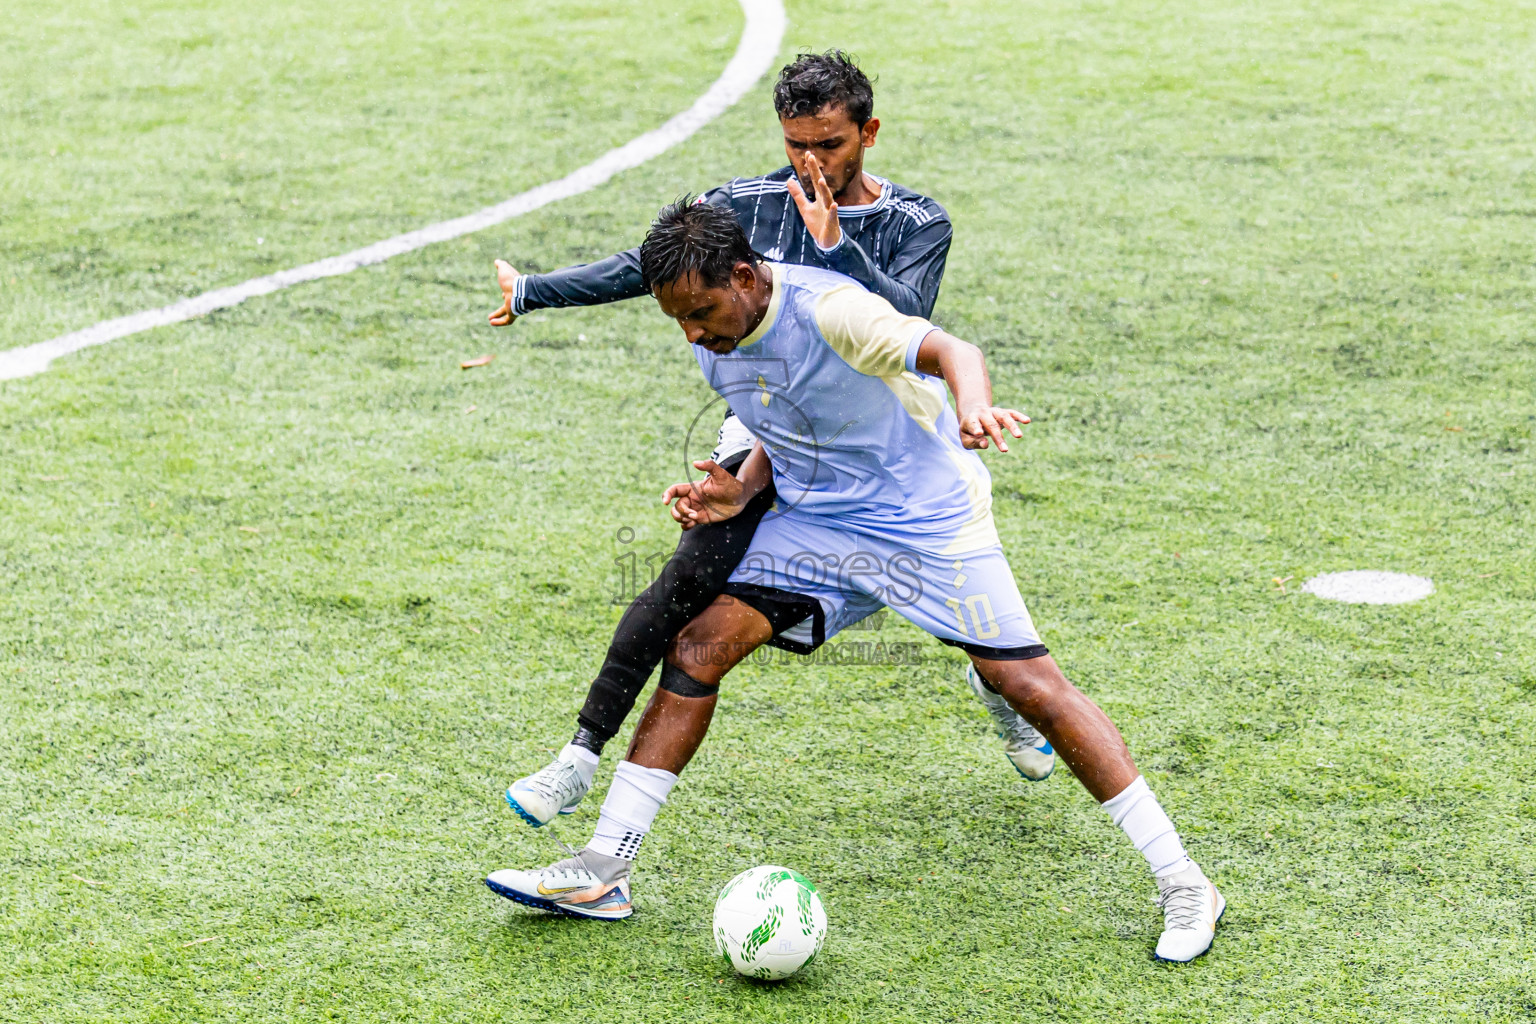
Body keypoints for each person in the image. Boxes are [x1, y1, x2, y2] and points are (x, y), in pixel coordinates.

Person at [485, 201, 1226, 964]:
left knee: (1033, 686)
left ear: (744, 276)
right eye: (677, 319)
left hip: (925, 522)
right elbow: (787, 419)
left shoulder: (832, 310)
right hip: (823, 525)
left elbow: (953, 350)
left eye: (701, 312)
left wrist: (972, 410)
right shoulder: (717, 335)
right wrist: (740, 492)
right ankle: (605, 870)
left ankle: (1183, 881)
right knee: (699, 647)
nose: (692, 335)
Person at [493, 51, 1054, 829]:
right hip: (772, 431)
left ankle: (1003, 696)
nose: (811, 161)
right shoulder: (747, 207)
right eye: (797, 144)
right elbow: (646, 269)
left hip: (886, 444)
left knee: (980, 629)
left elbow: (910, 315)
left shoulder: (915, 222)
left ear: (868, 132)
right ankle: (580, 756)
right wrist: (532, 292)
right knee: (693, 572)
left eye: (828, 144)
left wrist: (836, 246)